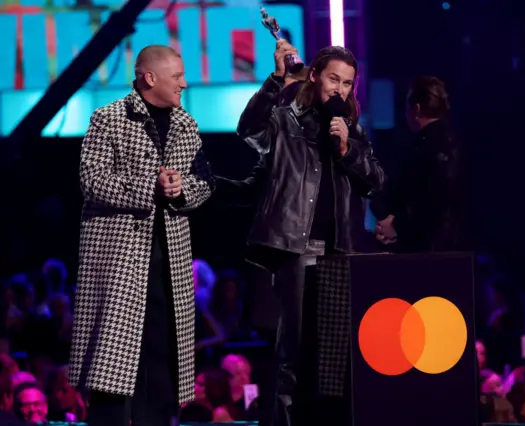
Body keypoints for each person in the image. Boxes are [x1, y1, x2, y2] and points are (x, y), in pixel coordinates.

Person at [236, 41, 385, 426]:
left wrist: (346, 149)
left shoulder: (351, 130)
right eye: (334, 78)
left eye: (348, 83)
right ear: (316, 75)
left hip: (341, 253)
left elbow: (376, 181)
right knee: (296, 354)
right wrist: (275, 80)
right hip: (298, 249)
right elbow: (248, 129)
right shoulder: (286, 119)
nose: (340, 89)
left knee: (334, 360)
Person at [68, 45, 214, 426]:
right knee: (111, 370)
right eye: (177, 77)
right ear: (150, 78)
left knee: (161, 362)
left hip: (169, 264)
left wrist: (181, 190)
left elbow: (205, 182)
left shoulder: (187, 124)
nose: (185, 83)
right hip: (119, 261)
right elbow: (92, 180)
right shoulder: (109, 119)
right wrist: (151, 186)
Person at [372, 76, 463, 252]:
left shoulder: (420, 148)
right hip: (457, 251)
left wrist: (396, 226)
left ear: (416, 109)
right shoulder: (458, 143)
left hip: (426, 252)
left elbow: (425, 204)